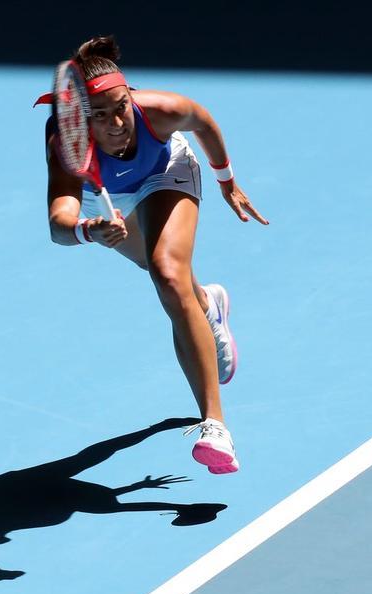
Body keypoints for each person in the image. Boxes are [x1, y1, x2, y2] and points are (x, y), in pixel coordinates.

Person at [37, 35, 268, 475]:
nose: (116, 122)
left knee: (166, 272)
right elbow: (58, 227)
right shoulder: (65, 150)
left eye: (121, 107)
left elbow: (202, 122)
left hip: (165, 171)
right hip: (102, 199)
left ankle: (215, 425)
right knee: (162, 271)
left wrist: (226, 181)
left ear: (131, 97)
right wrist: (89, 230)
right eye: (100, 117)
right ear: (81, 121)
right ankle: (208, 306)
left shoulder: (160, 111)